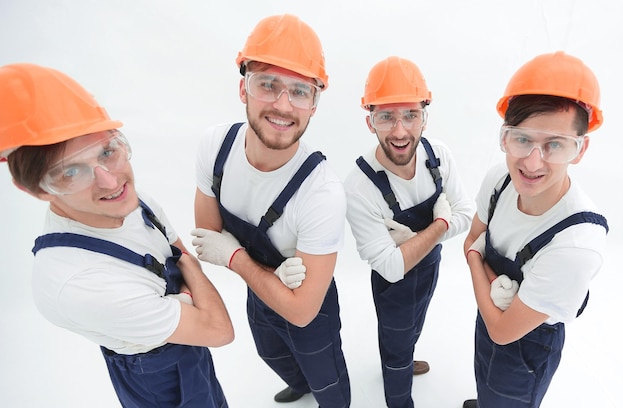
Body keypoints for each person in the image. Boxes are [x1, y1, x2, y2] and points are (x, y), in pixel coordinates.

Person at [0, 63, 235, 408]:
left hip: (190, 352)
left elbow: (194, 294)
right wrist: (193, 275)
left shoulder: (136, 204)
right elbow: (219, 329)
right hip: (155, 376)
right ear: (33, 189)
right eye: (71, 172)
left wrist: (183, 300)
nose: (111, 182)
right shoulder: (78, 282)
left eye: (108, 151)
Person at [190, 14, 351, 407]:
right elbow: (207, 233)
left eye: (300, 91)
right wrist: (268, 278)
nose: (283, 105)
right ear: (243, 89)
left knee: (328, 381)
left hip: (312, 311)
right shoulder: (217, 148)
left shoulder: (322, 192)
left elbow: (301, 311)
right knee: (270, 353)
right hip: (260, 293)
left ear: (314, 104)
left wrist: (235, 258)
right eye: (268, 84)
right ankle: (301, 383)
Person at [462, 51, 608, 408]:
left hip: (529, 347)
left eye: (554, 145)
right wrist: (491, 292)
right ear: (505, 136)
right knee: (484, 375)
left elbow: (504, 330)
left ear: (580, 149)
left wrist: (475, 261)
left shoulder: (576, 243)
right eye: (522, 139)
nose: (531, 162)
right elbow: (469, 242)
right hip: (489, 317)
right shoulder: (500, 180)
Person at [344, 56, 474, 407]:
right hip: (393, 288)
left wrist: (418, 241)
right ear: (370, 121)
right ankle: (398, 389)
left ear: (424, 117)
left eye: (410, 115)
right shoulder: (359, 186)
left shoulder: (438, 155)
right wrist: (440, 225)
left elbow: (466, 213)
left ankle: (398, 359)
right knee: (396, 339)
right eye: (386, 116)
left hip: (430, 268)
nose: (400, 131)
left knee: (413, 328)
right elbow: (389, 267)